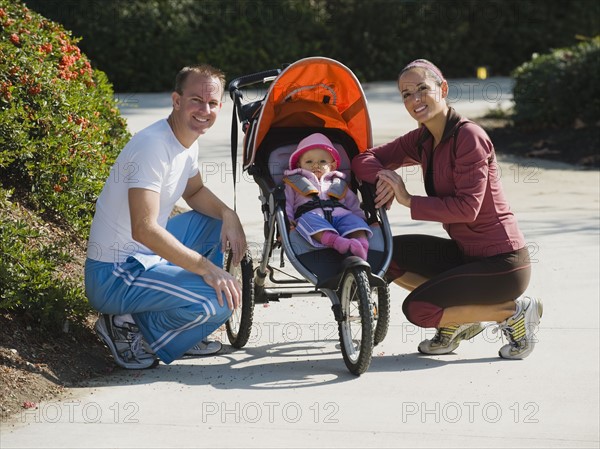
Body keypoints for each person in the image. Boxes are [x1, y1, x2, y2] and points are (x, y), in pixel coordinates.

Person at [351, 59, 542, 359]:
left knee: (419, 310)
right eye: (405, 94)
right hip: (466, 257)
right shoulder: (424, 138)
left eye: (422, 89)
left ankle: (514, 312)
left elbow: (468, 209)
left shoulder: (469, 137)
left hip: (502, 265)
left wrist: (408, 199)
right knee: (389, 255)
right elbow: (365, 158)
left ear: (443, 89)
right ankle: (458, 319)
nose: (414, 99)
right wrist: (385, 178)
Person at [85, 64, 247, 369]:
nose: (205, 110)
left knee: (213, 225)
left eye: (212, 103)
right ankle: (123, 325)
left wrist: (229, 215)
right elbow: (143, 229)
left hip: (142, 259)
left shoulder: (186, 142)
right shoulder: (152, 146)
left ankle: (180, 331)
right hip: (115, 274)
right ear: (176, 100)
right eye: (196, 100)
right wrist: (206, 269)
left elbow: (195, 192)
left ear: (220, 107)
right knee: (218, 301)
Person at [283, 133, 372, 260]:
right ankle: (338, 242)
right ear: (299, 165)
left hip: (342, 216)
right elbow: (287, 203)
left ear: (333, 166)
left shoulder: (339, 183)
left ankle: (362, 246)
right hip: (312, 216)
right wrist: (288, 220)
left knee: (355, 222)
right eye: (309, 161)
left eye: (322, 161)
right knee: (305, 221)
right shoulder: (294, 182)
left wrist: (361, 218)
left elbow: (353, 204)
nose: (315, 165)